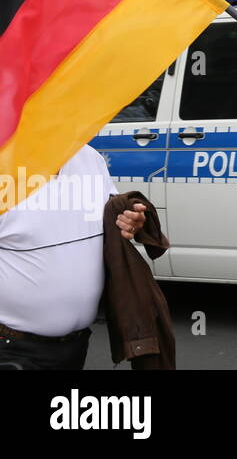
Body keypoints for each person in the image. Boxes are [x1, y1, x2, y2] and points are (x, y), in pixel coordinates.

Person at [0, 146, 149, 369]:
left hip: (75, 347)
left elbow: (111, 216)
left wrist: (129, 220)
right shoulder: (5, 163)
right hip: (11, 350)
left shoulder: (91, 159)